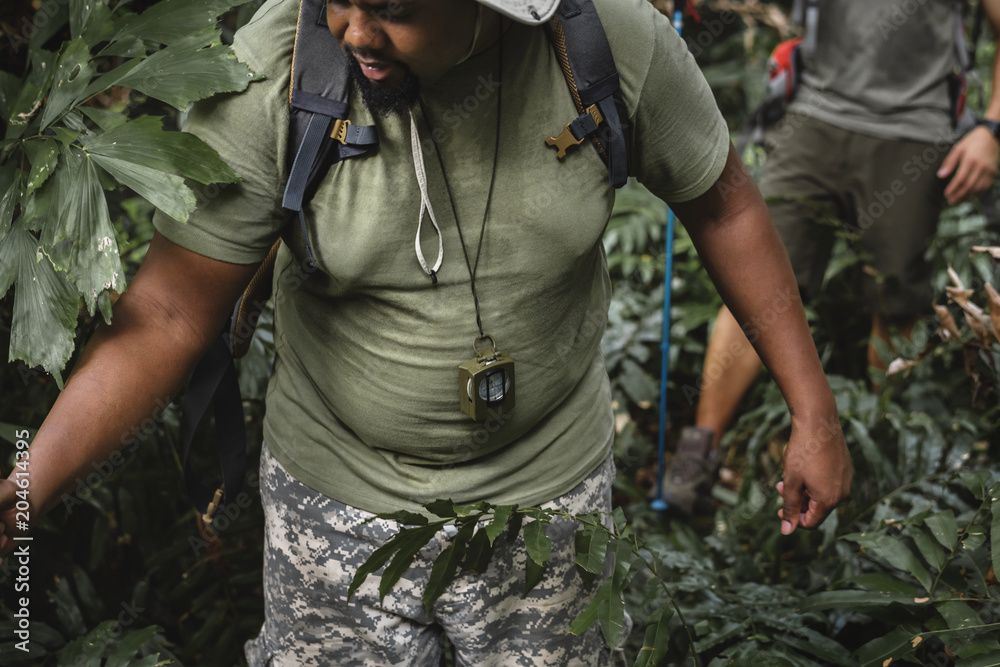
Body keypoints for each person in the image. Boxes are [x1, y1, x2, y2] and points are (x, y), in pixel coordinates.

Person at [0, 0, 853, 663]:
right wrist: (32, 480)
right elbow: (171, 312)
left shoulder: (604, 45)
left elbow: (723, 203)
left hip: (547, 501)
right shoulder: (277, 71)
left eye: (396, 9)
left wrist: (811, 410)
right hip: (334, 504)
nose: (354, 31)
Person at [661, 0, 1000, 516]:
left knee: (896, 299)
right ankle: (698, 453)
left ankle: (872, 462)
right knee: (753, 285)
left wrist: (991, 129)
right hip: (814, 116)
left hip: (914, 129)